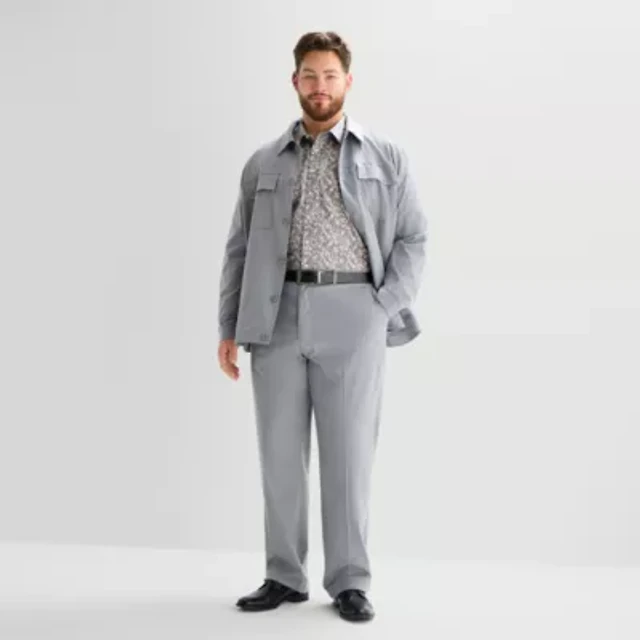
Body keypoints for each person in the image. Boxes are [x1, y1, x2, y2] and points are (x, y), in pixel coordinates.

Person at [217, 31, 428, 623]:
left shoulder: (386, 157)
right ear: (295, 81)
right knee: (279, 454)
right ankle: (284, 576)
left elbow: (414, 237)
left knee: (349, 455)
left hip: (354, 309)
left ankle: (350, 581)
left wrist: (383, 307)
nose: (320, 86)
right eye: (309, 75)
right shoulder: (263, 162)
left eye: (330, 75)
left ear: (347, 81)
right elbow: (238, 248)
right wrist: (228, 325)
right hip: (276, 313)